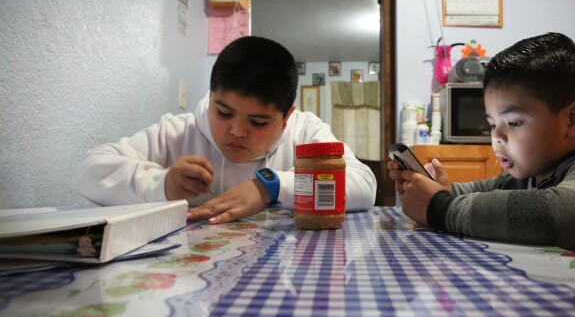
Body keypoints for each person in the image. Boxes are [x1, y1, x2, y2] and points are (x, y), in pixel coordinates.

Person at [389, 32, 575, 275]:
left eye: (514, 123)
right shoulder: (527, 176)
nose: (497, 138)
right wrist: (432, 187)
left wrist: (439, 206)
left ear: (572, 119)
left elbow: (554, 216)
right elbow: (472, 192)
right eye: (491, 126)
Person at [73, 36, 377, 223]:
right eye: (223, 112)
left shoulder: (305, 131)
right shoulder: (178, 133)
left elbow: (364, 185)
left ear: (286, 119)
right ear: (212, 97)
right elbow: (88, 171)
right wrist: (161, 183)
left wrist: (271, 187)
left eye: (258, 122)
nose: (237, 131)